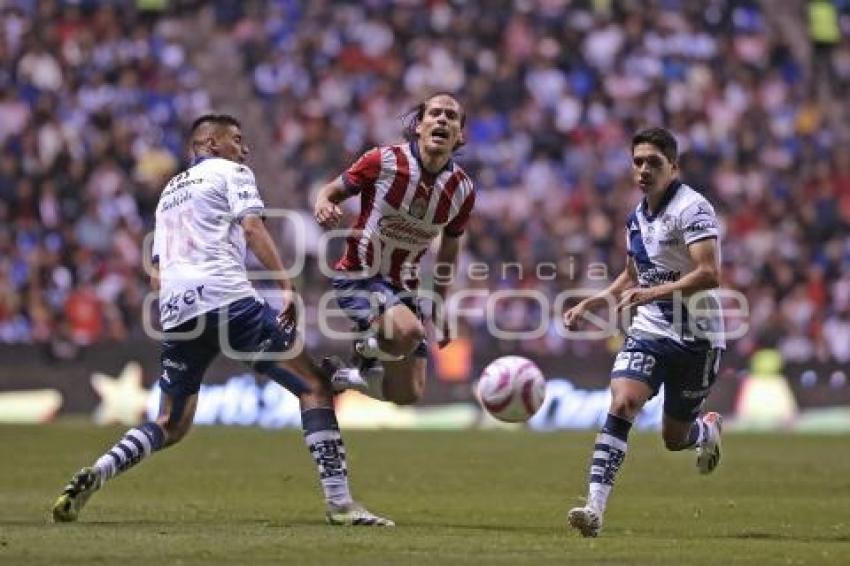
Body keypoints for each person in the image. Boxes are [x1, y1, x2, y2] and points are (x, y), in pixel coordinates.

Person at [51, 114, 392, 527]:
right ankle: (341, 504)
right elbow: (252, 229)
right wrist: (286, 286)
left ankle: (99, 471)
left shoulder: (169, 193)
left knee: (170, 423)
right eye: (236, 140)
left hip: (177, 311)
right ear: (210, 144)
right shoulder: (232, 172)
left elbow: (156, 271)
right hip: (226, 298)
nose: (244, 149)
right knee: (314, 387)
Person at [562, 127, 725, 537]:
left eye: (654, 162)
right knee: (622, 404)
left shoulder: (693, 209)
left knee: (674, 438)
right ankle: (593, 508)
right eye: (638, 162)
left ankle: (704, 431)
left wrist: (656, 290)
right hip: (651, 328)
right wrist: (590, 302)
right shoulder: (635, 217)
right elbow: (631, 276)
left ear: (674, 166)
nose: (644, 170)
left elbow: (709, 274)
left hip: (698, 338)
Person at [313, 93, 475, 404]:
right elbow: (331, 190)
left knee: (407, 393)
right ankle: (367, 346)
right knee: (409, 333)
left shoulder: (463, 190)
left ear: (460, 135)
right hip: (360, 275)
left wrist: (439, 306)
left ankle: (340, 376)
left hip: (404, 289)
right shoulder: (383, 160)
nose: (442, 119)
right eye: (435, 114)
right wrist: (323, 203)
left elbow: (450, 248)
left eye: (451, 117)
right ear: (419, 125)